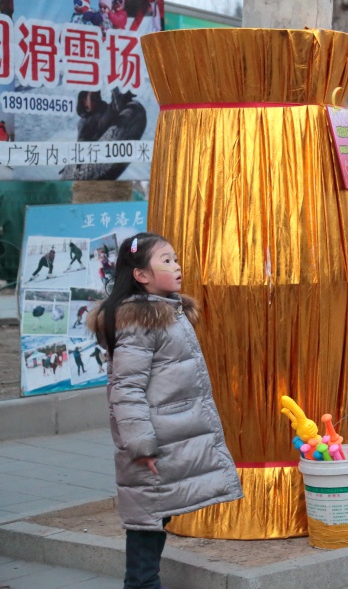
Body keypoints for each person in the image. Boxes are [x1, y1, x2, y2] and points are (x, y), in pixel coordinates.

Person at [86, 232, 242, 589]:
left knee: (156, 517)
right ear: (141, 275)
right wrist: (140, 445)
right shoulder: (142, 320)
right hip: (153, 442)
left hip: (170, 437)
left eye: (176, 259)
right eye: (166, 261)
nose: (177, 266)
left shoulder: (168, 312)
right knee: (146, 523)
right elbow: (126, 388)